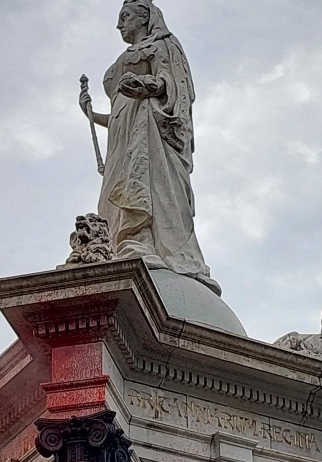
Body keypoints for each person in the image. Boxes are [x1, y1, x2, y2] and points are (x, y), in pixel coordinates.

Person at [80, 0, 219, 294]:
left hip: (151, 128)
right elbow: (120, 110)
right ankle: (124, 241)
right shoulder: (125, 56)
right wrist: (92, 116)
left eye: (125, 17)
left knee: (145, 181)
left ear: (144, 17)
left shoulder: (163, 44)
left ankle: (145, 241)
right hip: (122, 136)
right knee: (118, 188)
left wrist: (149, 86)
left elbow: (175, 85)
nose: (119, 25)